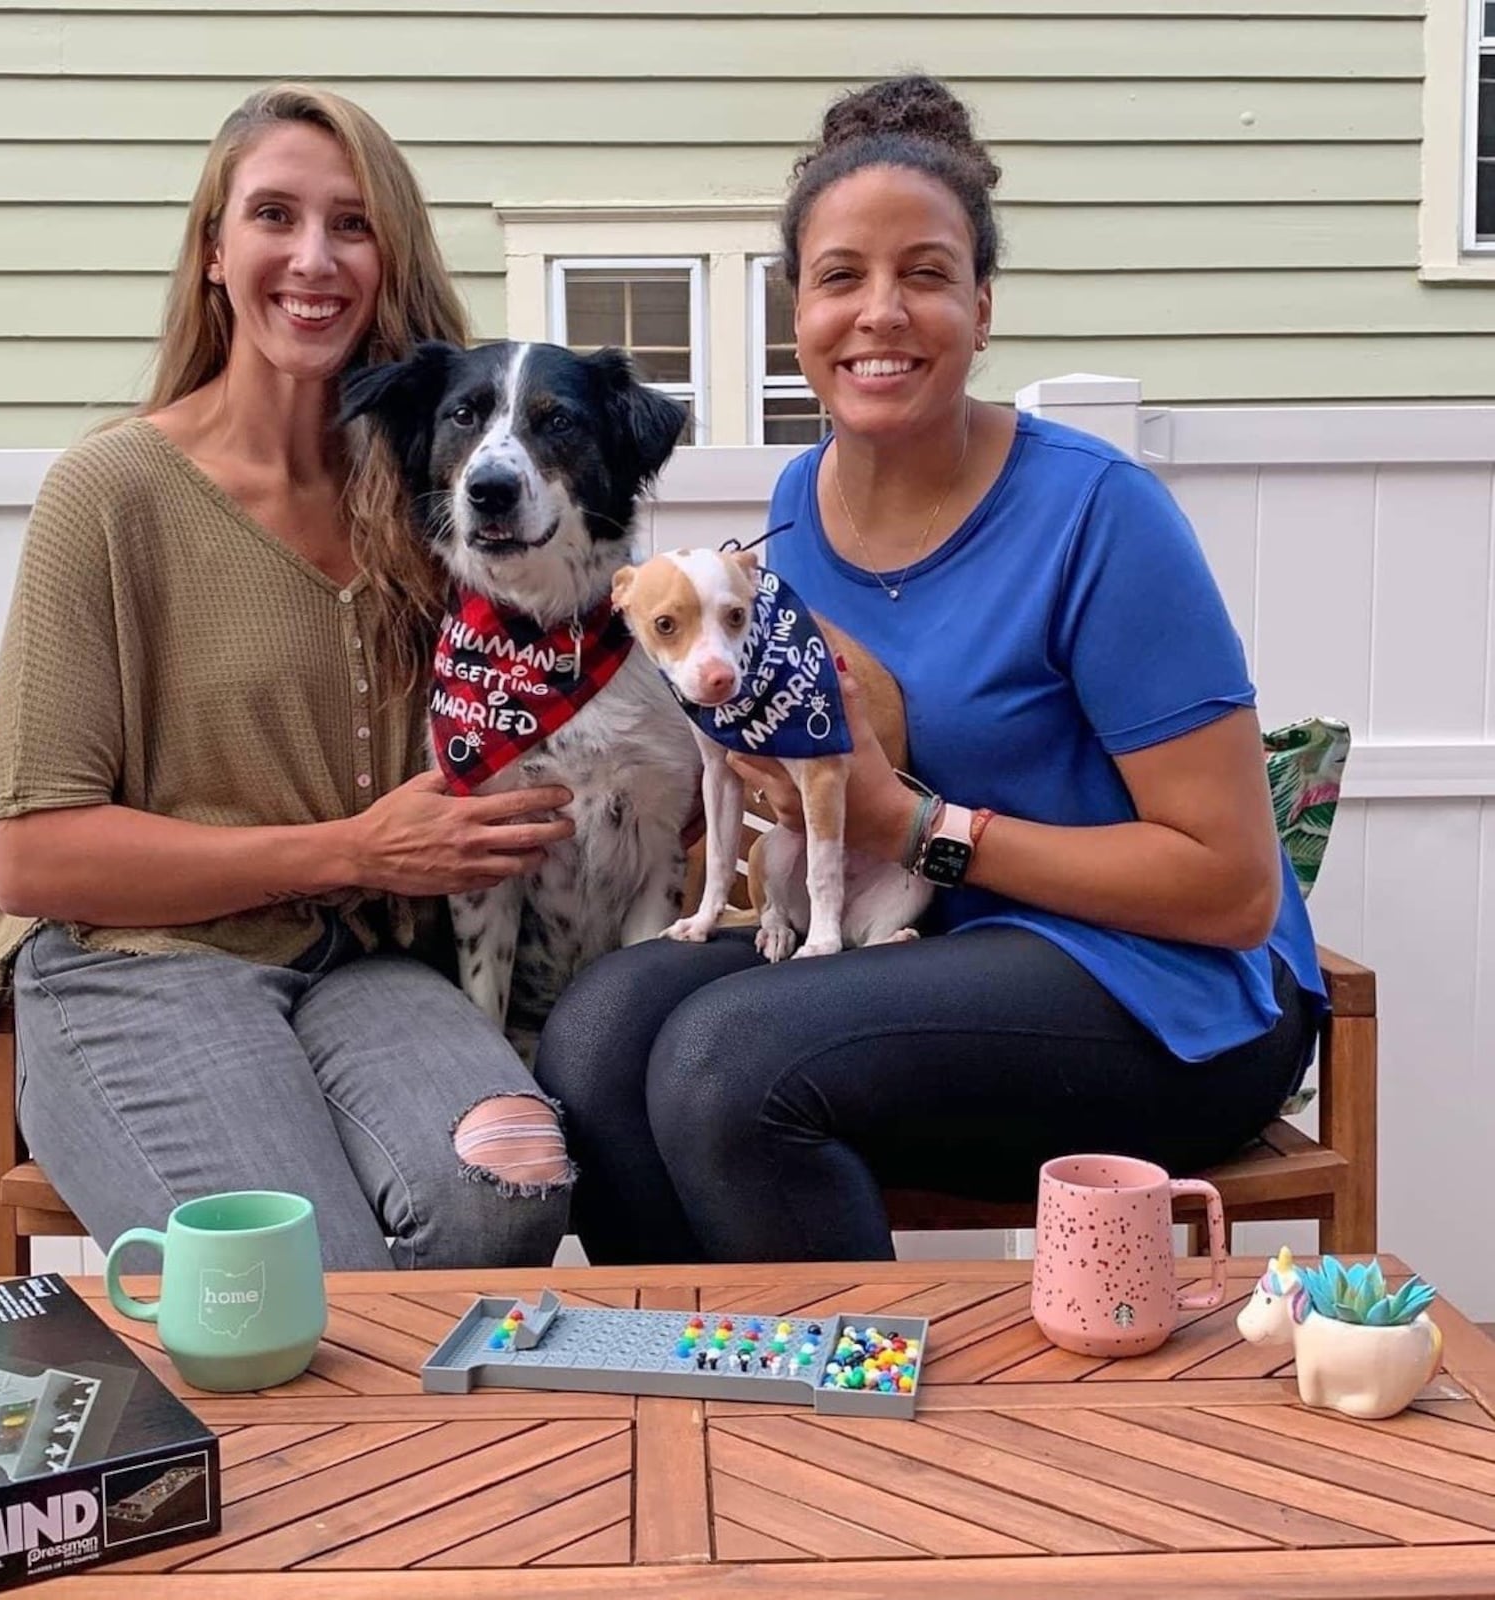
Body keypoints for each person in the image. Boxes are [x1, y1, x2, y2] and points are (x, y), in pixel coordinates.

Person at [534, 75, 1327, 1265]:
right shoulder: (797, 508)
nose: (881, 312)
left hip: (1173, 996)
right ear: (795, 310)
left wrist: (912, 823)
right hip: (926, 949)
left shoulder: (1099, 515)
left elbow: (1229, 890)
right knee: (594, 1039)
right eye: (842, 276)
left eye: (926, 274)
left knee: (729, 1063)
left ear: (983, 305)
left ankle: (848, 1433)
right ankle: (711, 1406)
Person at [0, 84, 578, 1271]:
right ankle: (358, 1457)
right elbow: (34, 856)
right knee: (293, 1272)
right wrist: (354, 849)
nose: (313, 258)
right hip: (136, 968)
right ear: (212, 252)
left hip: (367, 967)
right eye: (275, 216)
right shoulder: (112, 492)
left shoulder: (443, 499)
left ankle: (416, 1449)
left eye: (351, 224)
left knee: (509, 1185)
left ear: (390, 255)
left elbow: (569, 705)